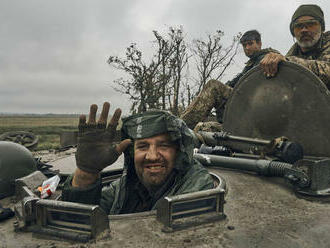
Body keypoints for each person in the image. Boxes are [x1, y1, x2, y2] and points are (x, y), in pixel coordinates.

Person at [62, 102, 214, 214]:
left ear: (178, 152)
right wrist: (86, 172)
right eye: (142, 146)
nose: (152, 156)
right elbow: (77, 218)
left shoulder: (196, 185)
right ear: (132, 152)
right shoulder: (123, 188)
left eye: (163, 146)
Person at [181, 30, 278, 130]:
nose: (247, 48)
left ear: (259, 43)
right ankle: (183, 123)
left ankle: (182, 126)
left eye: (250, 44)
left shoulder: (268, 58)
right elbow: (237, 81)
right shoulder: (252, 63)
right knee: (205, 127)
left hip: (255, 105)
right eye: (244, 45)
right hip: (245, 104)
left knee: (213, 86)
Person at [260, 4, 330, 89]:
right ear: (293, 32)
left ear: (321, 28)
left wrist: (292, 63)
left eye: (311, 24)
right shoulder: (292, 53)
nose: (304, 30)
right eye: (298, 26)